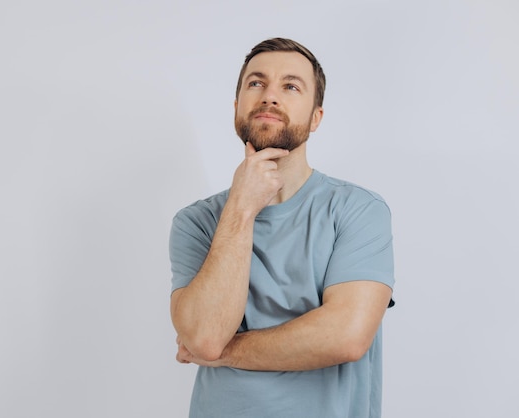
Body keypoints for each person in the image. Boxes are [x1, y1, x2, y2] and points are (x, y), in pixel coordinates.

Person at [169, 37, 395, 418]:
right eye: (256, 83)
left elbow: (346, 336)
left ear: (316, 117)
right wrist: (242, 204)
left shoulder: (358, 210)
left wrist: (225, 352)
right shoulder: (195, 222)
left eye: (290, 86)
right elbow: (205, 336)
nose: (270, 96)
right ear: (237, 107)